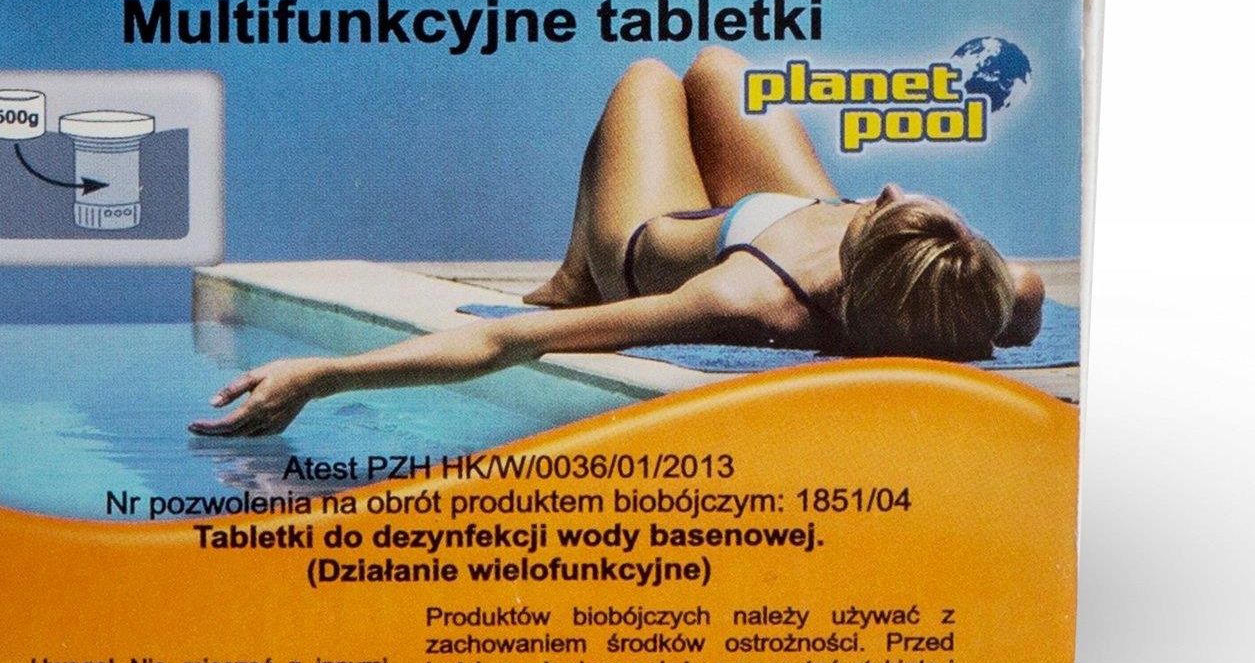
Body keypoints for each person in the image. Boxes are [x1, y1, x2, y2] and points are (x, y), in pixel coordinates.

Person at [191, 47, 1046, 438]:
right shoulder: (987, 285)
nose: (887, 187)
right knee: (719, 68)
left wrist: (324, 374)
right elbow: (1004, 304)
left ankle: (577, 271)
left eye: (876, 213)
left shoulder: (746, 298)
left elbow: (507, 341)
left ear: (857, 273)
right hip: (785, 212)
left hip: (650, 242)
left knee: (649, 79)